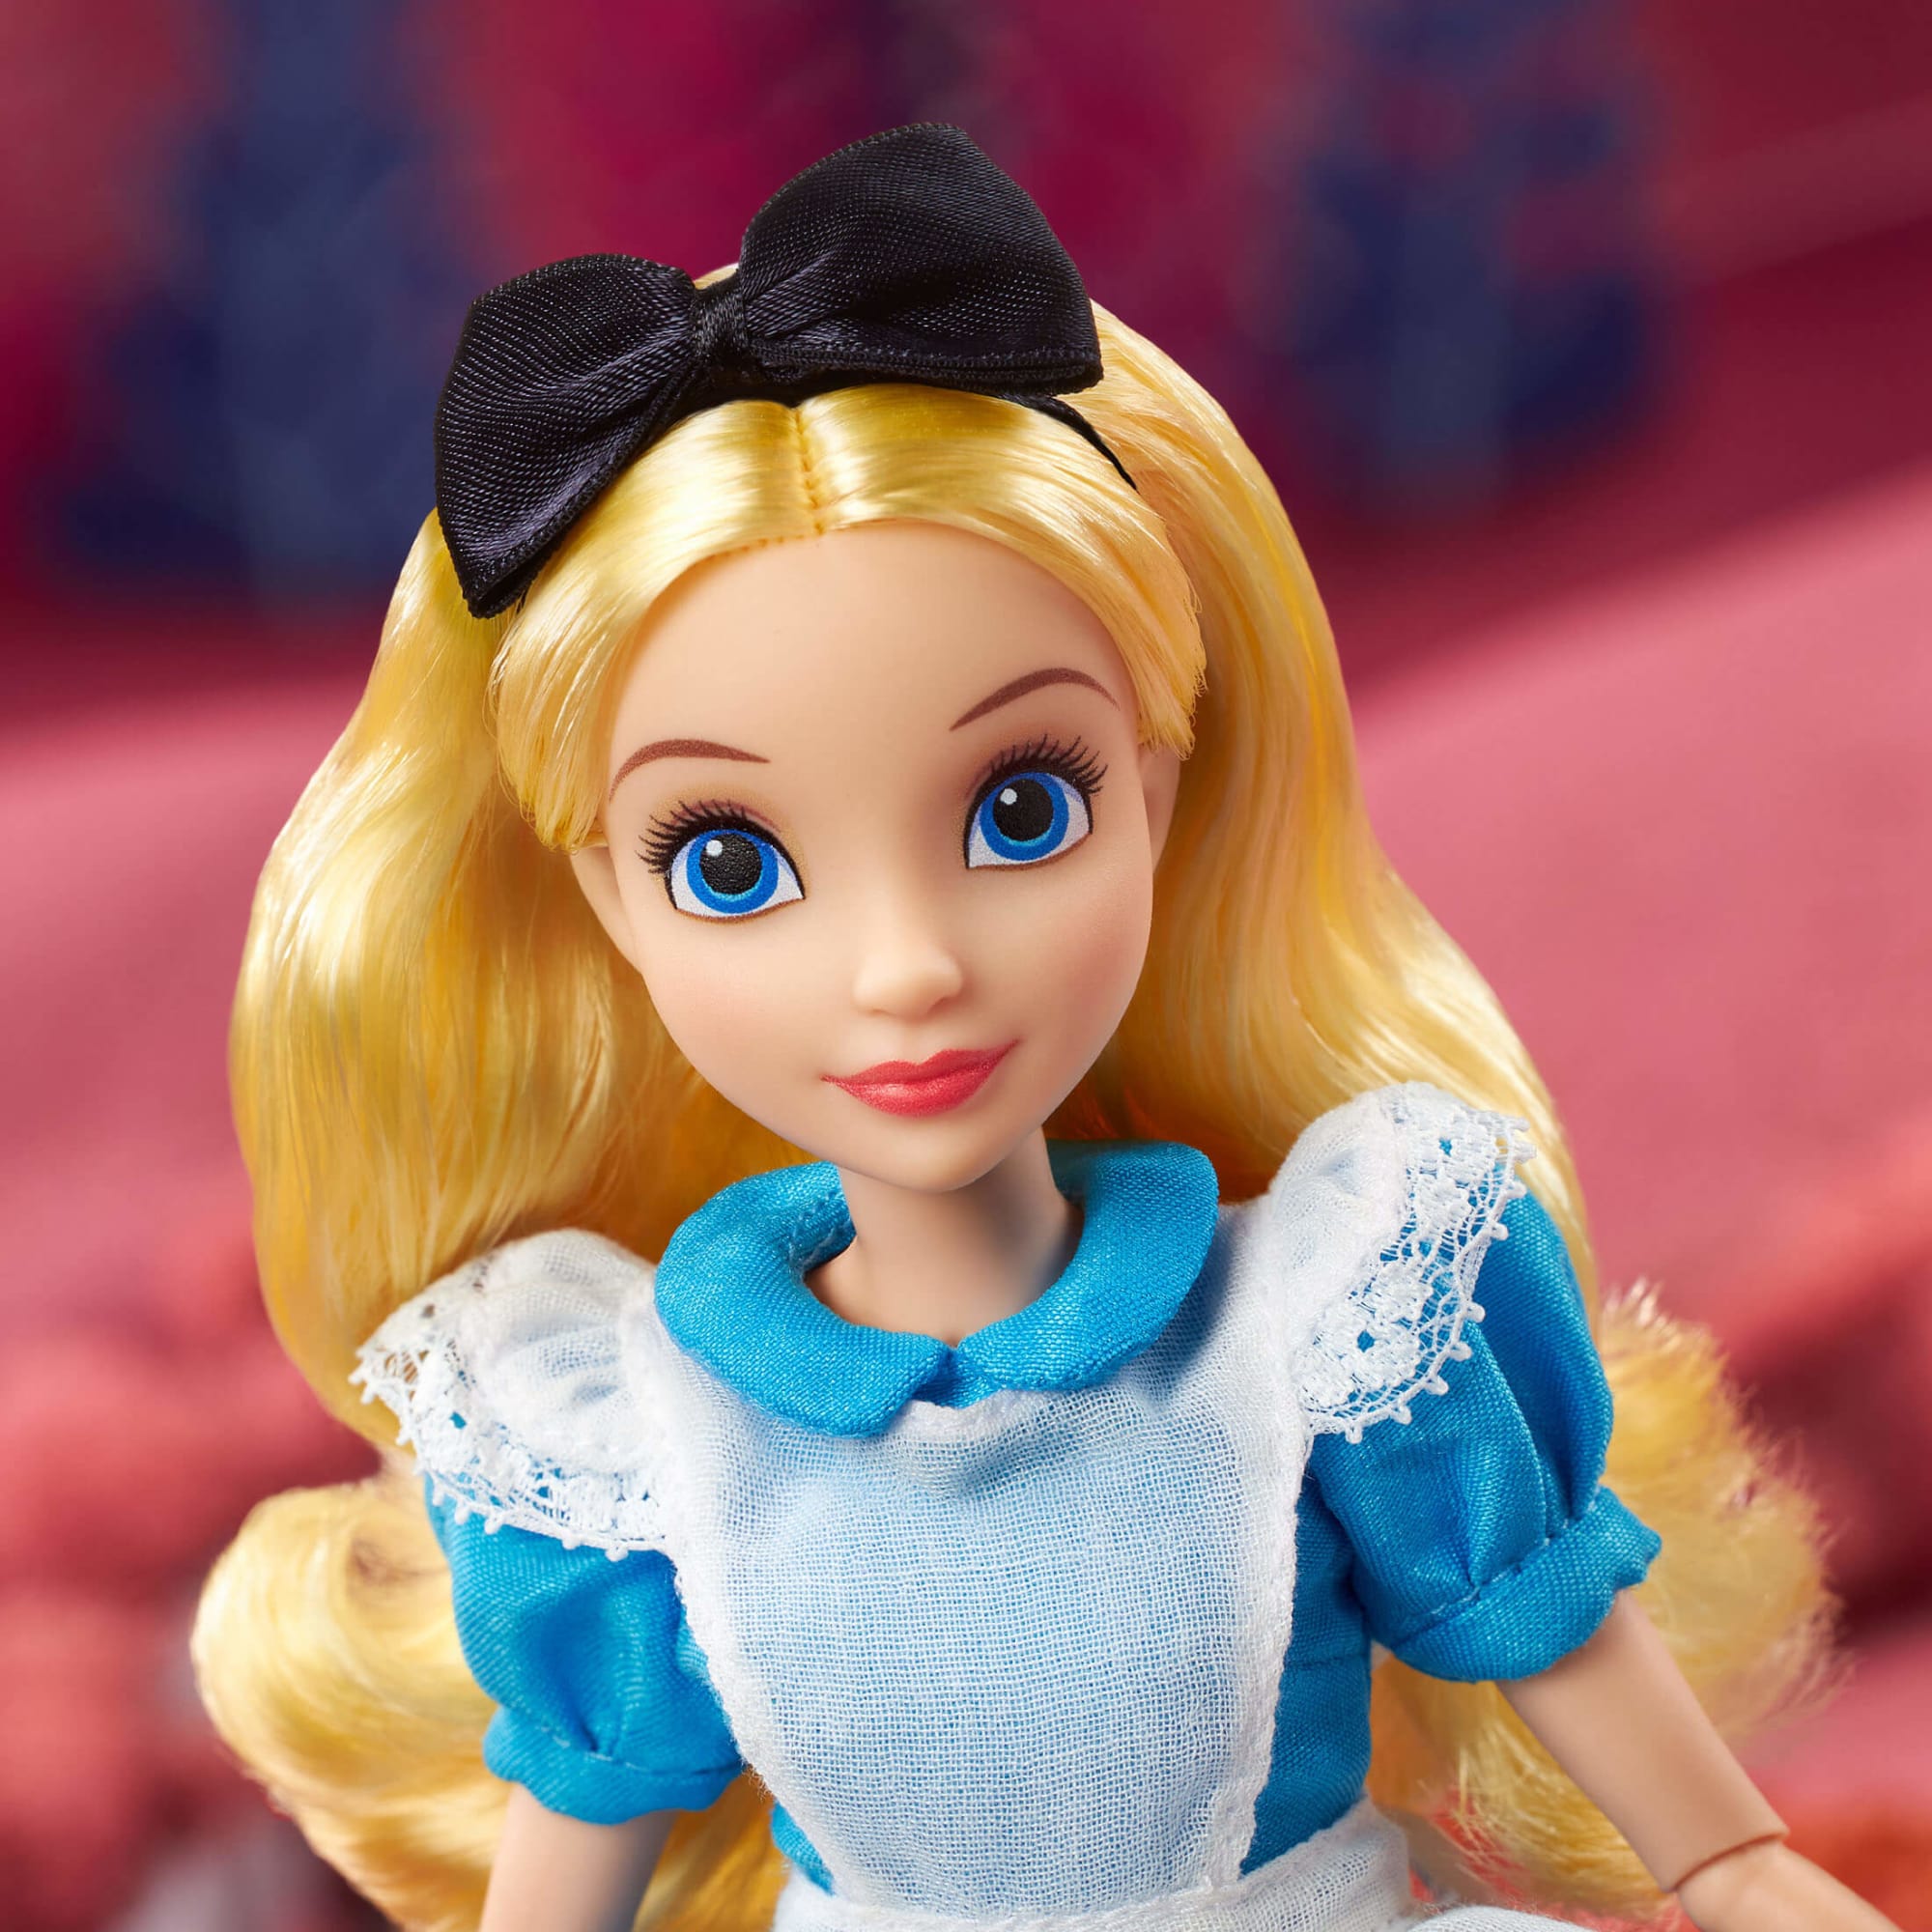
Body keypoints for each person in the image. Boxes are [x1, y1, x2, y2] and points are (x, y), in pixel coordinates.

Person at [194, 126, 1889, 1932]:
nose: (908, 967)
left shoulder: (1327, 1319)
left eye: (1023, 809)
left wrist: (1741, 1870)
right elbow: (583, 1820)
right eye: (729, 863)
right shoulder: (627, 1442)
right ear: (608, 902)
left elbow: (1550, 1639)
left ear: (1157, 784)